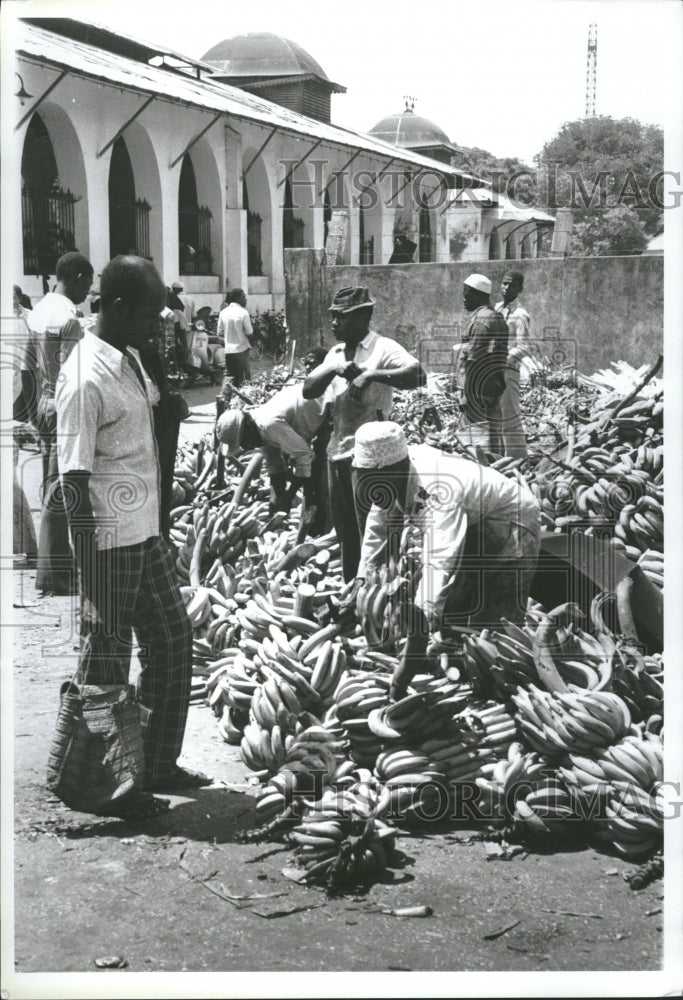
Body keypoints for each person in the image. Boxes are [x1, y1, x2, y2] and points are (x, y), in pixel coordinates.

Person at [55, 255, 210, 819]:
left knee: (172, 642)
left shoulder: (130, 359)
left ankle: (156, 762)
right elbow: (71, 477)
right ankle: (106, 786)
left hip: (145, 536)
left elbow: (155, 422)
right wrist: (88, 562)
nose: (158, 323)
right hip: (108, 545)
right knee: (105, 667)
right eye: (149, 313)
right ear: (118, 308)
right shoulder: (82, 376)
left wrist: (165, 391)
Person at [351, 421, 541, 701]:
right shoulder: (390, 473)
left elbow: (439, 563)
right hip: (474, 516)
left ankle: (505, 690)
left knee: (497, 612)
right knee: (461, 600)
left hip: (511, 518)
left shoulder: (439, 488)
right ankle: (457, 664)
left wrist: (415, 640)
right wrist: (361, 580)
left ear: (393, 470)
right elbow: (377, 527)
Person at [302, 286, 426, 581]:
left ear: (363, 317)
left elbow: (418, 374)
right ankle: (352, 591)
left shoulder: (383, 348)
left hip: (373, 461)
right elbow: (309, 389)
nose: (334, 324)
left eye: (341, 318)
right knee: (346, 533)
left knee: (375, 534)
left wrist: (372, 375)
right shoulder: (334, 354)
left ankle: (379, 595)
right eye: (332, 317)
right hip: (338, 453)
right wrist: (333, 368)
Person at [20, 251, 94, 595]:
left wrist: (34, 411)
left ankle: (55, 568)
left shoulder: (37, 311)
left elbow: (26, 367)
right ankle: (56, 574)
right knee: (62, 490)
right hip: (64, 404)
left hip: (45, 403)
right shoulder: (68, 316)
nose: (87, 293)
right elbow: (74, 371)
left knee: (53, 485)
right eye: (88, 284)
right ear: (77, 277)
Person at [216, 346, 330, 520]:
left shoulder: (268, 424)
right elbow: (275, 469)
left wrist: (289, 497)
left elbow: (305, 455)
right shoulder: (258, 432)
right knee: (303, 474)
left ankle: (321, 523)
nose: (247, 447)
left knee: (316, 480)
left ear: (246, 430)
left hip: (330, 410)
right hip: (312, 417)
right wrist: (274, 508)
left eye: (243, 443)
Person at [454, 273, 509, 456]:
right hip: (493, 389)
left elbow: (474, 361)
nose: (463, 298)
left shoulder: (480, 322)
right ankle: (500, 473)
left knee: (474, 442)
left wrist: (465, 394)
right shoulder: (498, 319)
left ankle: (483, 477)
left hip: (476, 393)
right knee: (494, 439)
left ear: (478, 294)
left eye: (467, 293)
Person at [495, 272, 532, 459]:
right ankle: (500, 459)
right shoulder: (496, 309)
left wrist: (503, 361)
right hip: (491, 371)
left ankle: (518, 461)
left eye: (512, 285)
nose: (507, 288)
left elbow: (524, 347)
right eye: (504, 283)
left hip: (508, 372)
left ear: (520, 289)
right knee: (494, 416)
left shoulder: (520, 314)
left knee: (510, 416)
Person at [218, 288, 253, 390]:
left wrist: (227, 343)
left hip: (229, 351)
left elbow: (219, 334)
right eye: (244, 298)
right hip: (242, 350)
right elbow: (249, 332)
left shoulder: (223, 312)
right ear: (237, 298)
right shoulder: (243, 313)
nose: (245, 300)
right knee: (244, 378)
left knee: (229, 377)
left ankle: (223, 400)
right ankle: (242, 401)